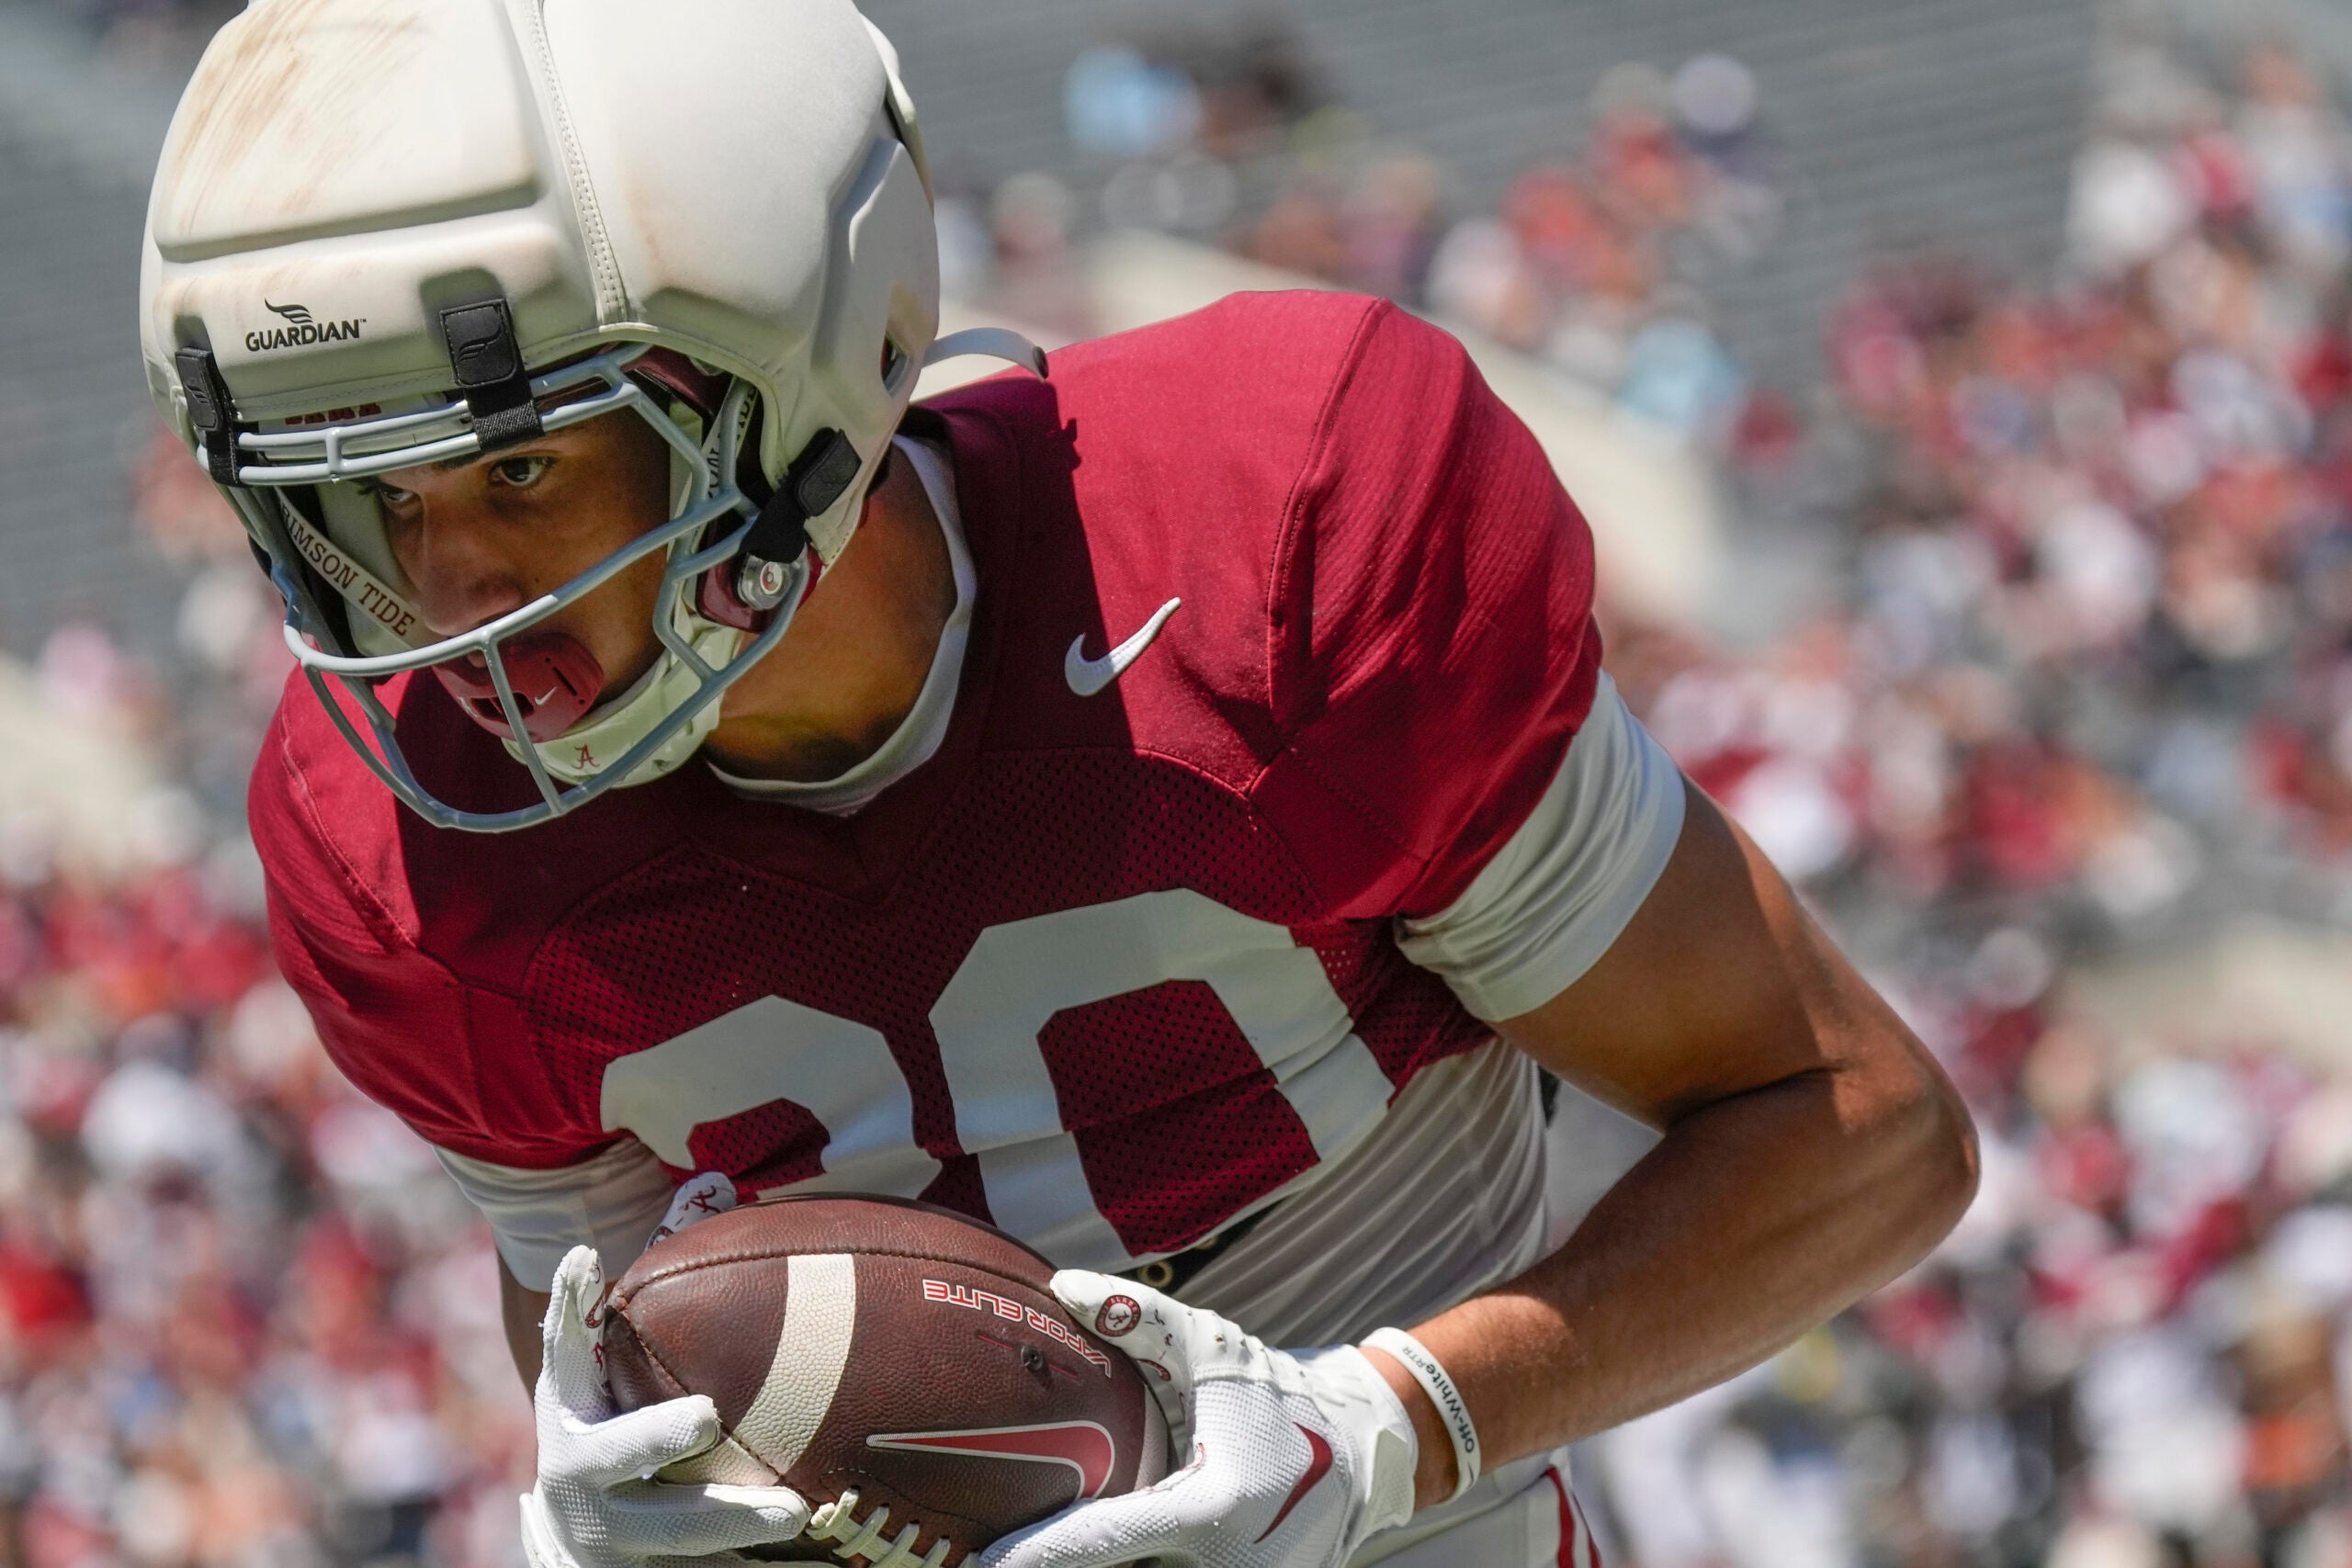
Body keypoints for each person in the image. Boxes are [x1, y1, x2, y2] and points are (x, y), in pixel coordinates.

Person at [137, 3, 1977, 1565]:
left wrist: (1381, 1429)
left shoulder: (1277, 536)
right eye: (365, 503)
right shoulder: (395, 847)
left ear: (786, 357)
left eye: (526, 474)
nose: (451, 604)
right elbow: (646, 1369)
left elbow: (1858, 1125)